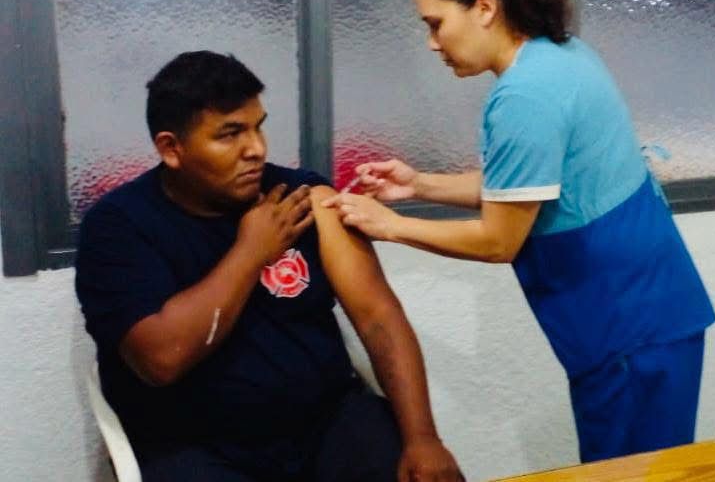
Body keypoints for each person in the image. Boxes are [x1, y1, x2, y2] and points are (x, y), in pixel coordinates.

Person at [322, 0, 715, 464]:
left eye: (436, 23)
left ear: (485, 7)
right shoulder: (560, 55)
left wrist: (391, 226)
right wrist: (418, 186)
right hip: (652, 313)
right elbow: (525, 187)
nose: (432, 43)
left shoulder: (525, 96)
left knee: (632, 474)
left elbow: (498, 240)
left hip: (627, 331)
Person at [75, 50, 463, 482]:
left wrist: (423, 438)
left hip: (326, 424)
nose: (256, 149)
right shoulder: (118, 227)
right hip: (195, 445)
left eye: (258, 127)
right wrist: (250, 252)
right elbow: (162, 359)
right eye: (229, 135)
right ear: (172, 148)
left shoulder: (302, 196)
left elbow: (378, 318)